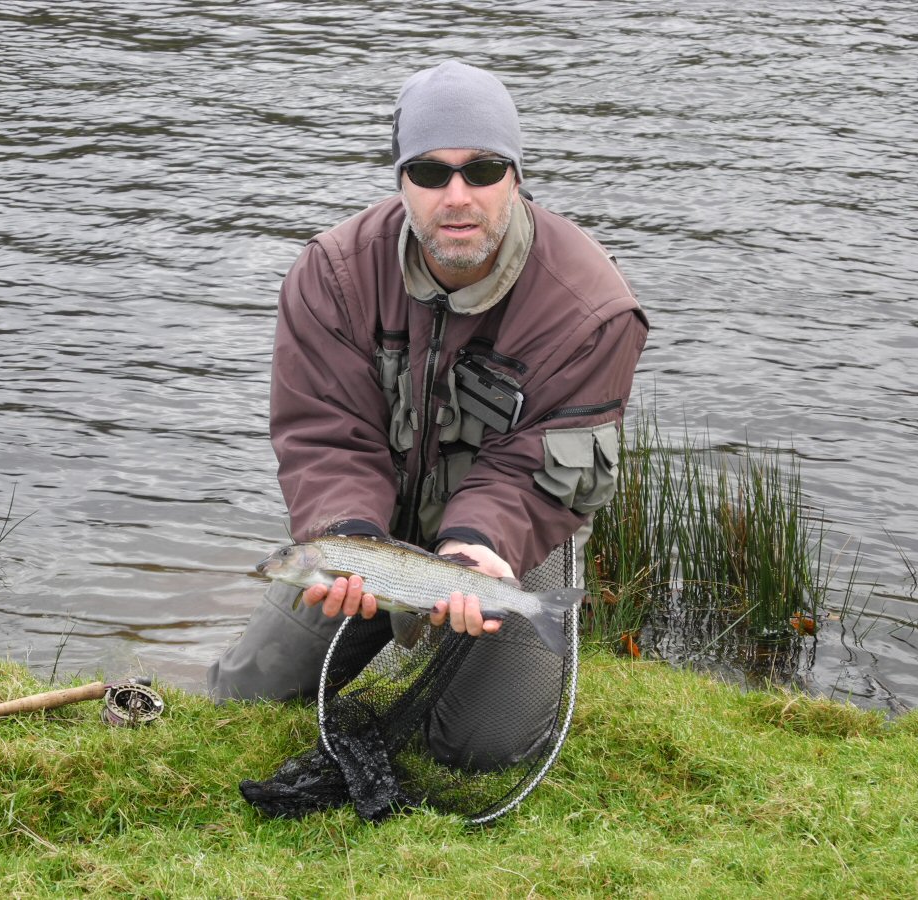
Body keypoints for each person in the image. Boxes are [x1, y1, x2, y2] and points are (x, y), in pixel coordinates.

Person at [209, 61, 648, 763]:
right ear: (400, 179)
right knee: (244, 697)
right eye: (429, 172)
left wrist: (481, 543)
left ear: (516, 175)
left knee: (477, 746)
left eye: (483, 169)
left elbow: (542, 468)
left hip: (511, 546)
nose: (457, 196)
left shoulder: (591, 308)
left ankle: (478, 659)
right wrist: (347, 535)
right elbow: (326, 435)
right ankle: (382, 635)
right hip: (372, 537)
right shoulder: (333, 274)